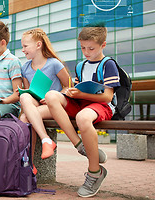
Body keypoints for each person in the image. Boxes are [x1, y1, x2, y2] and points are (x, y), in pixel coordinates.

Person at [45, 26, 120, 198]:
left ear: (103, 45)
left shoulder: (108, 64)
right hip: (82, 103)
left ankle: (95, 173)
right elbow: (76, 89)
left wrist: (82, 94)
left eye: (91, 48)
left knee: (83, 118)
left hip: (101, 105)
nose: (86, 52)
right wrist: (69, 92)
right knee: (51, 96)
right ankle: (80, 146)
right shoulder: (81, 65)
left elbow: (108, 97)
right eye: (83, 48)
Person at [19, 28, 71, 169]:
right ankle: (43, 143)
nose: (22, 50)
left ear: (38, 45)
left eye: (25, 46)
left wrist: (51, 98)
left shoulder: (54, 64)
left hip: (53, 107)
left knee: (25, 118)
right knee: (24, 97)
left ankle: (30, 161)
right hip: (36, 105)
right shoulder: (25, 68)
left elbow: (68, 86)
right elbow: (29, 92)